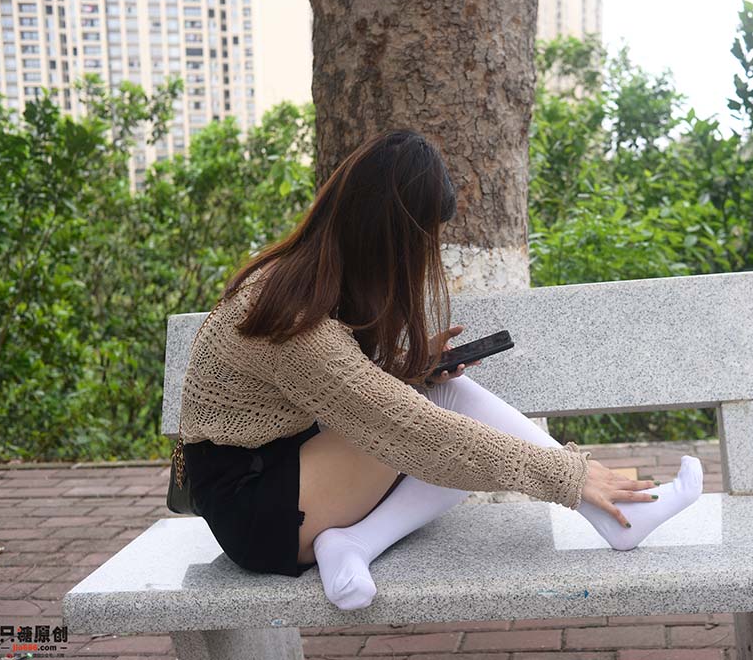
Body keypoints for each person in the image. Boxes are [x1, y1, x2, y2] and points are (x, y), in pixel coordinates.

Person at [175, 128, 704, 611]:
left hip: (285, 470)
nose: (426, 255)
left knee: (452, 421)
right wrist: (572, 477)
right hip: (255, 508)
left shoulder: (303, 282)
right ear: (386, 235)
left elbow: (339, 391)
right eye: (423, 238)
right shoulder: (294, 318)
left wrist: (406, 371)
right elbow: (410, 429)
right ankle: (617, 519)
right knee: (446, 433)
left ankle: (352, 543)